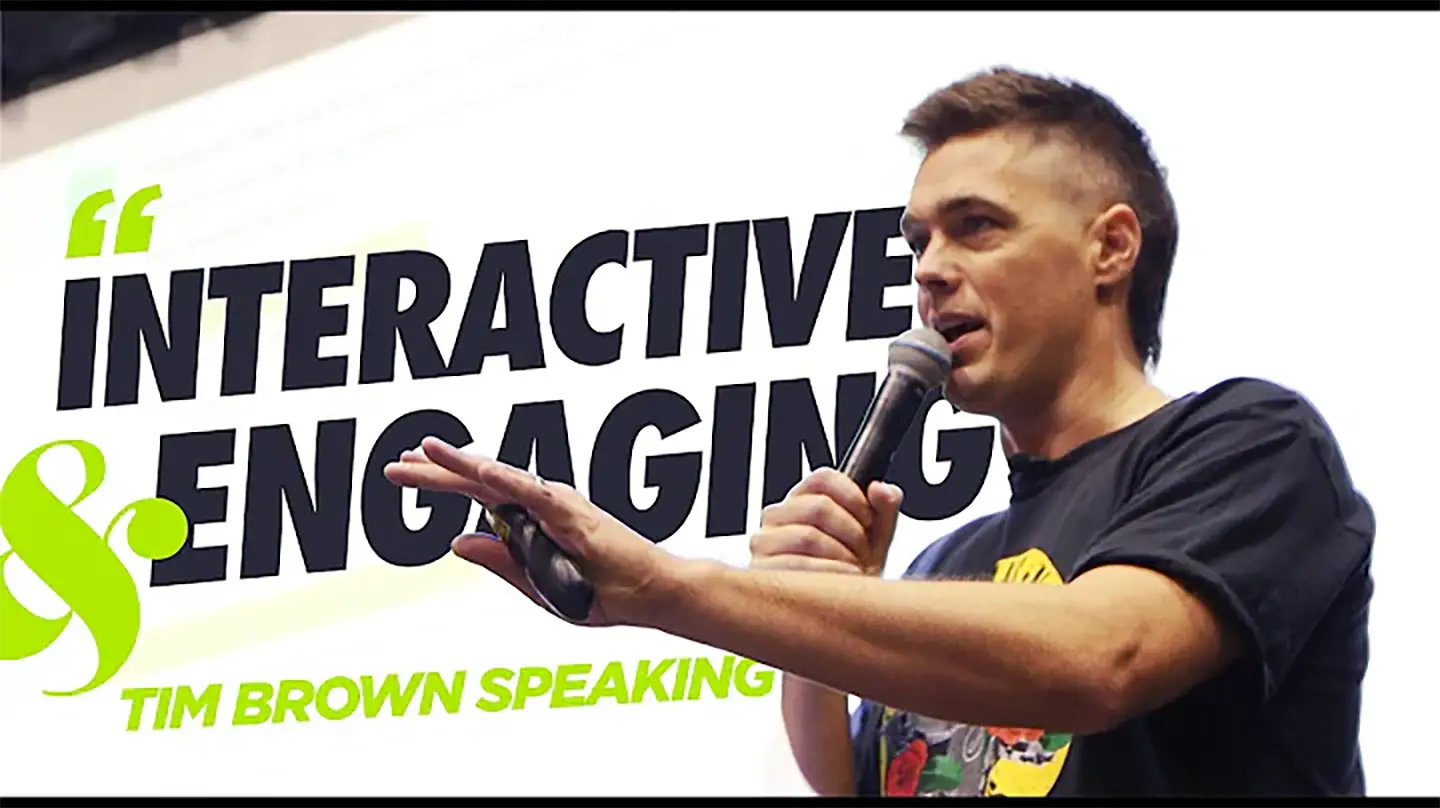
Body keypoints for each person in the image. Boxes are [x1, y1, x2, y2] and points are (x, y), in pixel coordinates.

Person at [384, 67, 1374, 797]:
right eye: (919, 241)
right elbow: (865, 782)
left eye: (978, 227)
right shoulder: (954, 558)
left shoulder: (1250, 443)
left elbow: (1099, 658)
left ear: (1110, 246)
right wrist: (819, 616)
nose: (931, 268)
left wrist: (669, 587)